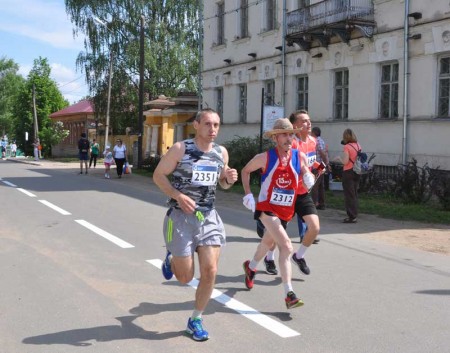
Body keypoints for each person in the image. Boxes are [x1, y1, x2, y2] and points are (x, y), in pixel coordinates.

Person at [153, 108, 238, 341]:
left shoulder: (221, 152)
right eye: (208, 124)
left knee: (210, 270)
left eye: (217, 125)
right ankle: (172, 258)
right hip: (180, 217)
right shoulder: (182, 149)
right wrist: (178, 195)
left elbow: (222, 184)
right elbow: (159, 175)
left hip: (207, 217)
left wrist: (228, 180)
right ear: (197, 125)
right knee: (185, 278)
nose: (213, 129)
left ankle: (196, 319)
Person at [241, 118, 314, 309]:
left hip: (285, 210)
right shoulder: (265, 157)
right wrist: (248, 194)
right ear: (275, 138)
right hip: (267, 208)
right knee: (287, 247)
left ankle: (251, 267)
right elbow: (245, 171)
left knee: (267, 242)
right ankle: (289, 294)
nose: (289, 138)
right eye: (284, 134)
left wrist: (309, 177)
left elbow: (306, 171)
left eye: (291, 134)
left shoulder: (299, 156)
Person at [289, 110, 323, 275]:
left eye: (309, 120)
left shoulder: (312, 141)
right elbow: (294, 165)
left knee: (314, 227)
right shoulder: (292, 143)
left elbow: (310, 161)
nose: (308, 123)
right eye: (303, 121)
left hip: (302, 192)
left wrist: (319, 167)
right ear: (295, 125)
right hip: (288, 193)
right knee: (275, 235)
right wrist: (304, 172)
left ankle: (299, 256)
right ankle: (267, 258)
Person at [335, 128, 362, 223]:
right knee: (354, 193)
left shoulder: (347, 147)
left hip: (348, 172)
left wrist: (339, 159)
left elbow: (346, 162)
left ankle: (352, 216)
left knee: (349, 195)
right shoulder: (358, 145)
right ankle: (355, 213)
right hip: (357, 171)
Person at [311, 127, 330, 210]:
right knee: (320, 185)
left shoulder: (316, 141)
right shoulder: (321, 140)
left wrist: (325, 162)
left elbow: (322, 153)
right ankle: (322, 203)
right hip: (321, 164)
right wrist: (326, 163)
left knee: (315, 184)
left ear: (314, 133)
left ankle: (314, 204)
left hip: (318, 165)